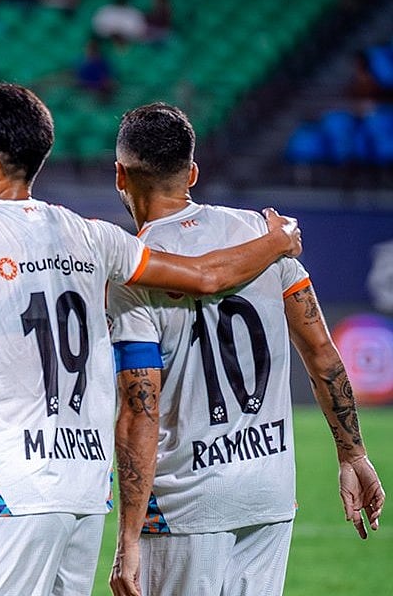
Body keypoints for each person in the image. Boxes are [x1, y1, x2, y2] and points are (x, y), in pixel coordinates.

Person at [0, 82, 303, 596]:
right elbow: (206, 275)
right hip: (88, 487)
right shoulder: (95, 236)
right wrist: (275, 241)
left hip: (16, 485)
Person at [107, 103, 385, 596]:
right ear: (192, 173)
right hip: (268, 492)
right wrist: (353, 454)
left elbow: (139, 409)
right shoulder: (265, 235)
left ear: (120, 177)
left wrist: (127, 536)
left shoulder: (135, 268)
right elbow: (322, 352)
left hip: (185, 503)